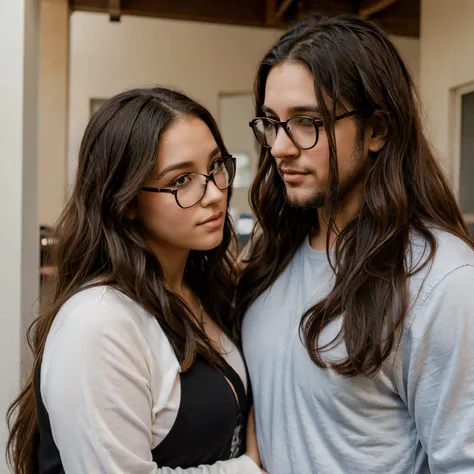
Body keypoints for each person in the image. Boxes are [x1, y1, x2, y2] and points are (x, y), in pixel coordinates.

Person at [235, 14, 474, 474]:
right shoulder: (267, 255)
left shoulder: (443, 282)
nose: (280, 148)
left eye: (307, 122)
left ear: (377, 130)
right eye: (270, 122)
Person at [7, 87, 264, 474]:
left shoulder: (203, 290)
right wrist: (248, 469)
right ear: (124, 202)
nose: (214, 194)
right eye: (181, 181)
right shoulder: (97, 324)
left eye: (215, 167)